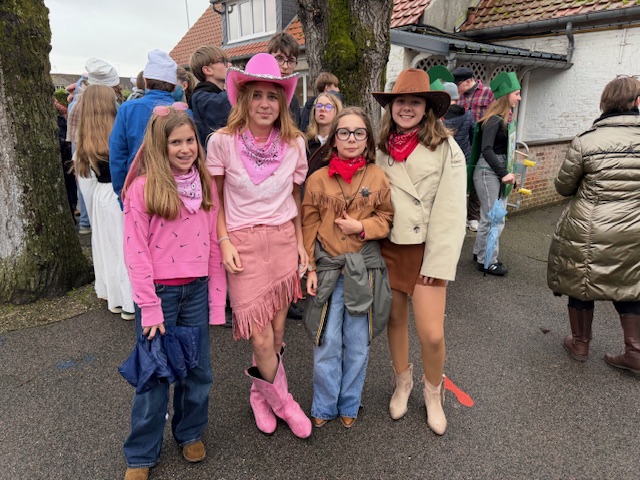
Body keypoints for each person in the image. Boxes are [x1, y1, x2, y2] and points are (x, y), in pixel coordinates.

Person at [206, 53, 312, 438]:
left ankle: (258, 394)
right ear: (244, 99)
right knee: (260, 336)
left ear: (281, 102)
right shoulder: (222, 142)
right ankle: (285, 403)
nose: (265, 103)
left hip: (283, 240)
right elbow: (215, 200)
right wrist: (223, 241)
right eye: (257, 95)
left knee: (278, 334)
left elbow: (295, 199)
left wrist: (301, 244)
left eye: (272, 96)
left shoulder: (295, 144)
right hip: (243, 244)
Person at [120, 104, 226, 480]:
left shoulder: (206, 185)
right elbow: (135, 251)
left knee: (197, 371)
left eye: (190, 140)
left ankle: (190, 432)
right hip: (159, 295)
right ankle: (141, 453)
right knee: (154, 375)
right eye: (175, 142)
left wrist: (217, 302)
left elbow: (213, 246)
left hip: (195, 292)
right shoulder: (142, 188)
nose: (185, 149)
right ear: (159, 146)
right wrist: (149, 306)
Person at [373, 68, 467, 435]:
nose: (407, 108)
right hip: (389, 247)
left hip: (427, 251)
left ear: (427, 107)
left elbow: (451, 211)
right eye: (401, 101)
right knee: (394, 322)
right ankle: (402, 383)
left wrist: (438, 262)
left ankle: (433, 393)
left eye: (415, 101)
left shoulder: (446, 148)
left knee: (431, 334)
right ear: (391, 106)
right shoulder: (380, 148)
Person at [302, 106, 393, 428]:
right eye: (344, 132)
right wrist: (310, 268)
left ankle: (350, 402)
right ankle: (324, 404)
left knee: (356, 344)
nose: (351, 139)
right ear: (334, 139)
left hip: (363, 274)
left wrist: (363, 227)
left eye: (358, 132)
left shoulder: (377, 176)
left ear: (367, 139)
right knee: (327, 342)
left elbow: (387, 217)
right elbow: (308, 227)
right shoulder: (317, 180)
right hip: (328, 272)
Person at [547, 75, 640, 374]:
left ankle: (580, 344)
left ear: (605, 103)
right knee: (630, 286)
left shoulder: (586, 140)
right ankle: (635, 352)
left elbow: (563, 187)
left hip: (589, 227)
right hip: (635, 228)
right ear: (636, 102)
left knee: (581, 282)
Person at [75, 84, 135, 320]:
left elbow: (85, 181)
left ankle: (115, 298)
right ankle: (130, 301)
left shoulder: (84, 137)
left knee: (107, 248)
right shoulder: (120, 132)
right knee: (126, 248)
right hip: (119, 193)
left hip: (100, 195)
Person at [110, 49, 179, 203]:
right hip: (175, 190)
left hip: (137, 191)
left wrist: (122, 195)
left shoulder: (127, 109)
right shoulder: (184, 112)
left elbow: (117, 154)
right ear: (175, 86)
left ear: (145, 82)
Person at [472, 72, 520, 276]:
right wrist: (503, 173)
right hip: (488, 172)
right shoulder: (493, 120)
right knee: (494, 218)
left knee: (489, 217)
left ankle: (480, 253)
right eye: (516, 94)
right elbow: (486, 149)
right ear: (506, 95)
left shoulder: (504, 119)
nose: (519, 98)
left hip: (494, 171)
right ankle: (488, 261)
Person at [442, 81, 477, 232]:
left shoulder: (438, 117)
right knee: (460, 194)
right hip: (463, 161)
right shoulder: (468, 115)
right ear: (457, 97)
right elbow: (474, 138)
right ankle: (460, 223)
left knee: (444, 194)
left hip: (444, 161)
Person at [188, 45, 232, 149]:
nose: (230, 65)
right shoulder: (201, 98)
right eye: (223, 61)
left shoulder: (215, 94)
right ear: (207, 70)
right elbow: (224, 104)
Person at [306, 92, 343, 178]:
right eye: (319, 106)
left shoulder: (341, 142)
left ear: (336, 111)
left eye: (328, 106)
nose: (322, 109)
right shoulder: (305, 142)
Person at [267, 32, 301, 127]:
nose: (285, 66)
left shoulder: (293, 101)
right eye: (279, 58)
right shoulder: (252, 92)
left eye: (291, 60)